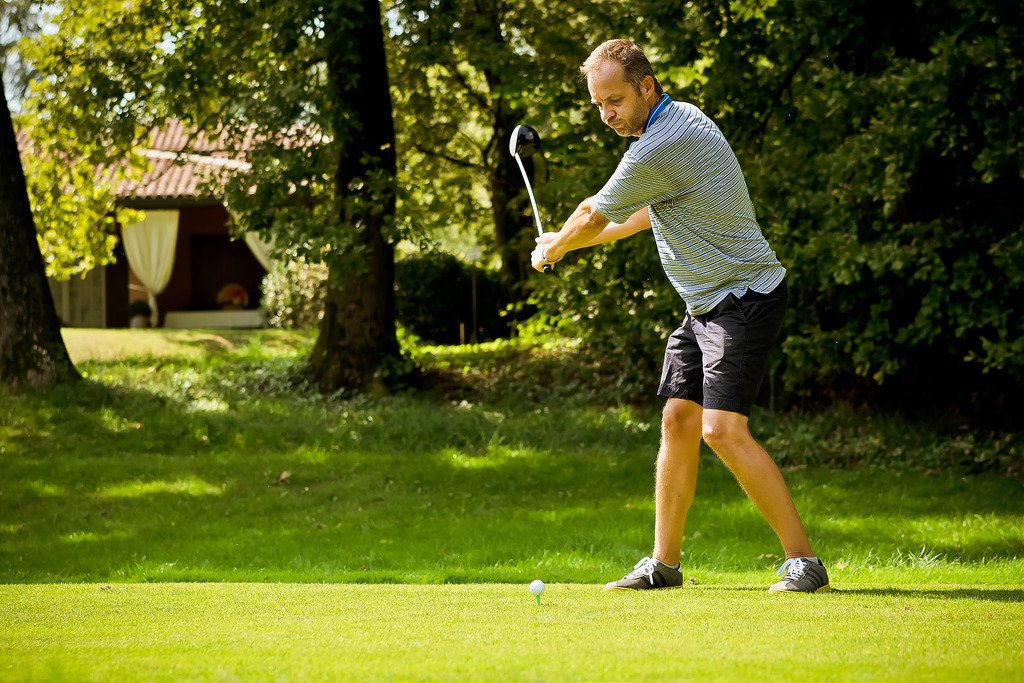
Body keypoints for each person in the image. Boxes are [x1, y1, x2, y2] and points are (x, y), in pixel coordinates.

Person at [531, 39, 829, 593]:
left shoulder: (666, 139)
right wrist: (570, 241)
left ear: (646, 85)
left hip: (744, 297)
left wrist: (556, 248)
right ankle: (663, 565)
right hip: (703, 304)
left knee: (722, 429)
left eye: (615, 100)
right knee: (679, 420)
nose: (607, 115)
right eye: (599, 105)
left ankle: (803, 562)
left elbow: (592, 212)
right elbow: (641, 213)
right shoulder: (672, 126)